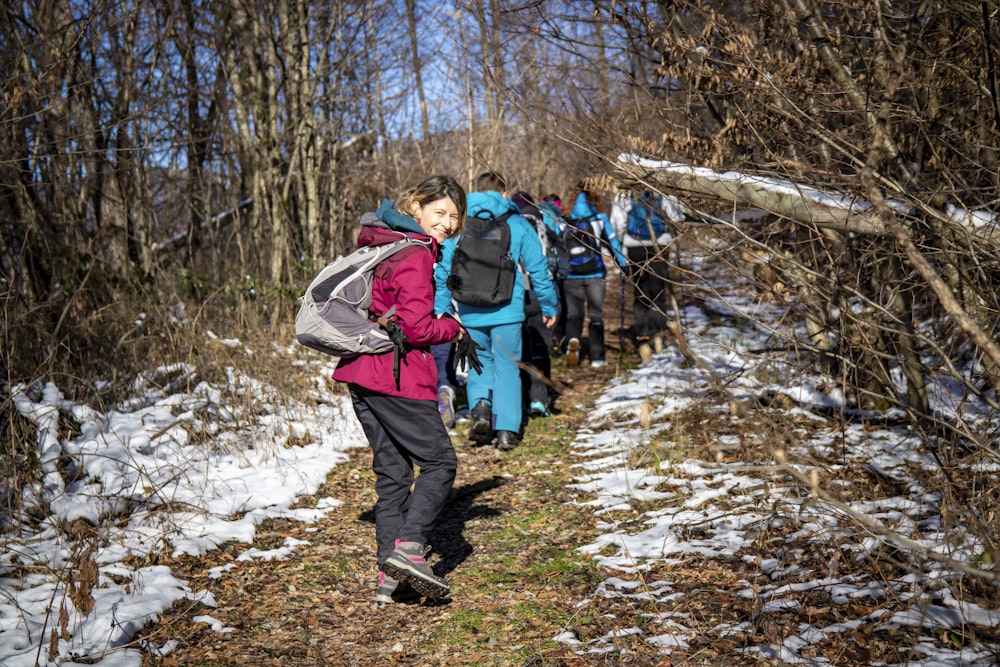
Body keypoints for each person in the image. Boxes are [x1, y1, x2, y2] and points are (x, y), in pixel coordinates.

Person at [332, 175, 467, 605]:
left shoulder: (384, 244)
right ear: (417, 207)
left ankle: (388, 579)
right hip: (395, 376)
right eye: (439, 212)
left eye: (454, 217)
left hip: (361, 372)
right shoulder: (413, 255)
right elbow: (416, 327)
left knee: (393, 476)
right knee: (441, 463)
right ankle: (409, 548)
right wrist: (454, 328)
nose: (446, 223)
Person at [435, 172, 558, 450]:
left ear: (475, 191)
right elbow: (538, 268)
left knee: (478, 362)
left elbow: (443, 268)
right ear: (504, 193)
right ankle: (505, 430)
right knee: (507, 367)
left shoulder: (459, 222)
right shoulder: (515, 222)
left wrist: (442, 308)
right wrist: (549, 305)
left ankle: (480, 406)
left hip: (469, 307)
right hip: (508, 309)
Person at [610, 190, 685, 362]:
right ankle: (659, 334)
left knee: (640, 292)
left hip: (635, 246)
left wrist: (621, 247)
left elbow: (617, 223)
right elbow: (678, 214)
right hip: (659, 245)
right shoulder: (660, 190)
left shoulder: (625, 193)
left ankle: (643, 336)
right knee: (658, 291)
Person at [560, 184, 629, 368]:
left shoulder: (563, 220)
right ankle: (597, 357)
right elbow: (612, 243)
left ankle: (573, 340)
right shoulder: (599, 218)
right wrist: (623, 264)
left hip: (571, 275)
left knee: (574, 315)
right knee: (596, 316)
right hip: (595, 274)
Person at [511, 191, 560, 417]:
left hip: (516, 295)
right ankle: (541, 400)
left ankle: (522, 399)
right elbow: (554, 260)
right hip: (541, 294)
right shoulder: (543, 227)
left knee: (520, 349)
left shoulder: (510, 226)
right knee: (541, 346)